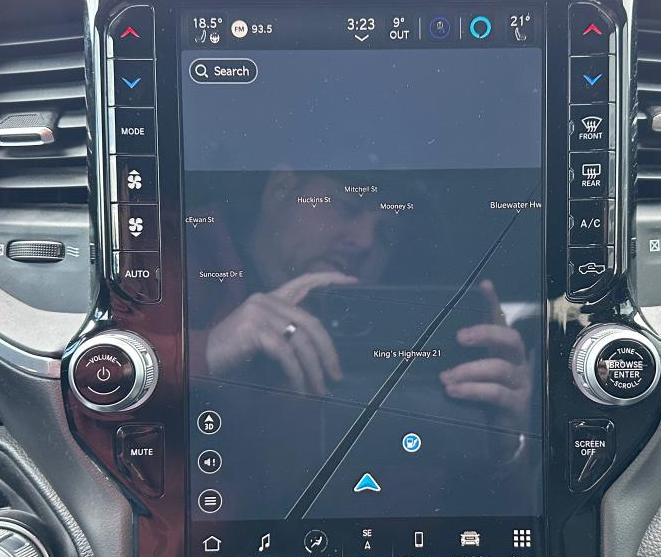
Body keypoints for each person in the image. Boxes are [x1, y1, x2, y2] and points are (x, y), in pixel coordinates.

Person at [187, 168, 534, 440]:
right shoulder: (174, 251)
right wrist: (207, 352)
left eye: (386, 235)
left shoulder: (385, 351)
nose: (366, 241)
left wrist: (502, 447)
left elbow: (413, 498)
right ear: (280, 187)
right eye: (348, 206)